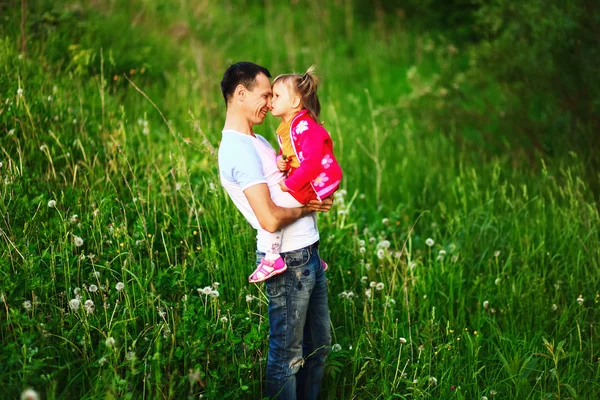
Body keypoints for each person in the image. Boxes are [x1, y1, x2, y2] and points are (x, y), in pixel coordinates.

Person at [217, 61, 333, 399]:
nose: (270, 103)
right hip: (288, 262)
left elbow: (288, 185)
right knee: (287, 357)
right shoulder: (237, 150)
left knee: (319, 348)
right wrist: (308, 206)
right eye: (265, 95)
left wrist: (315, 194)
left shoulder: (260, 140)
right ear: (240, 94)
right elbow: (268, 218)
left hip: (308, 253)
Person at [247, 65, 342, 284]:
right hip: (306, 180)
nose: (271, 102)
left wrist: (289, 184)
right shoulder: (289, 126)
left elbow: (312, 163)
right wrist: (281, 161)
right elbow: (291, 153)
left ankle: (272, 258)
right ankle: (315, 256)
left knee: (273, 203)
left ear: (295, 103)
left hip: (311, 180)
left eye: (277, 96)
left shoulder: (306, 127)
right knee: (298, 209)